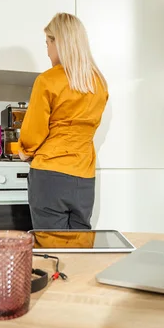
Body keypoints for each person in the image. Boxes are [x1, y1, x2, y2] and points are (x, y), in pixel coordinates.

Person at [18, 12, 108, 230]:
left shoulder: (47, 80)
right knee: (79, 247)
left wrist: (25, 151)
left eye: (48, 43)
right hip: (84, 177)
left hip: (50, 175)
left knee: (51, 248)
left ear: (60, 42)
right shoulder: (99, 83)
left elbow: (33, 133)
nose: (47, 50)